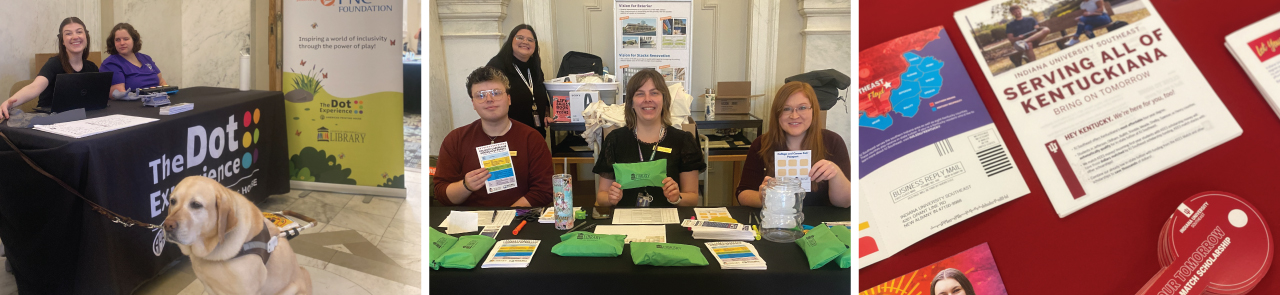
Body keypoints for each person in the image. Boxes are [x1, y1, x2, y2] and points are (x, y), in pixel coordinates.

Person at [432, 67, 554, 207]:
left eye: (496, 93)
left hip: (519, 221)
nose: (489, 99)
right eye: (481, 95)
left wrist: (505, 217)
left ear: (508, 99)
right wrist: (466, 186)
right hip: (471, 222)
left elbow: (544, 191)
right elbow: (441, 194)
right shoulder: (456, 139)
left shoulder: (531, 138)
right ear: (473, 103)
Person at [594, 69, 704, 207]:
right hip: (626, 223)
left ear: (664, 100)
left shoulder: (683, 141)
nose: (647, 99)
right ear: (631, 103)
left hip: (668, 222)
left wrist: (677, 197)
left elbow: (693, 198)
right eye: (640, 94)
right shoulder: (615, 140)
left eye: (654, 93)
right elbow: (601, 196)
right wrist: (610, 198)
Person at [735, 81, 851, 208]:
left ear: (813, 110)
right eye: (786, 109)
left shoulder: (832, 141)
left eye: (802, 108)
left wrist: (836, 174)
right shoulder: (761, 144)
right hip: (777, 222)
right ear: (777, 113)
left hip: (822, 225)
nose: (794, 115)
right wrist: (763, 198)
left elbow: (845, 203)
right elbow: (742, 194)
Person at [0, 17, 98, 119]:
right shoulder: (54, 64)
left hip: (82, 120)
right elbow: (35, 87)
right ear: (63, 41)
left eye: (79, 32)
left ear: (86, 36)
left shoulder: (92, 67)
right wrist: (9, 103)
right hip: (50, 120)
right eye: (68, 33)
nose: (75, 36)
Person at [486, 24, 551, 138]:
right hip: (508, 134)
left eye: (530, 40)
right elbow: (490, 99)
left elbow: (540, 91)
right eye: (520, 38)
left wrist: (546, 112)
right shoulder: (497, 66)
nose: (525, 42)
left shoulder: (534, 67)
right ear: (511, 40)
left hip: (536, 132)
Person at [102, 23, 167, 97]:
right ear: (113, 43)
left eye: (126, 39)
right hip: (133, 105)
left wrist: (166, 95)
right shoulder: (110, 64)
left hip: (158, 101)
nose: (122, 43)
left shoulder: (146, 58)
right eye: (118, 40)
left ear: (134, 40)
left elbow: (161, 81)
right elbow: (119, 94)